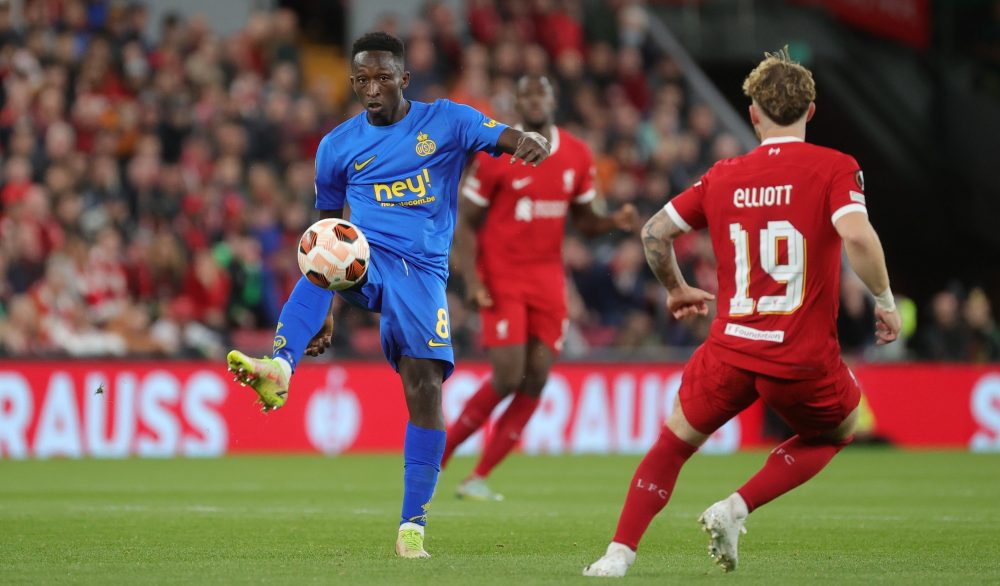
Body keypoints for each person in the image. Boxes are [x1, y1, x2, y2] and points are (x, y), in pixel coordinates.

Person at [226, 32, 551, 559]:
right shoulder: (335, 146)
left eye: (382, 77)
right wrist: (326, 301)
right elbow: (326, 227)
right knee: (326, 243)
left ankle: (412, 526)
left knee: (424, 390)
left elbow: (505, 136)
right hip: (369, 261)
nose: (371, 88)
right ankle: (280, 366)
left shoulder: (447, 120)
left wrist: (531, 142)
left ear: (404, 78)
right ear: (352, 83)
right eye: (361, 79)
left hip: (422, 273)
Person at [583, 48, 902, 577]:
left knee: (672, 444)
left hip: (730, 349)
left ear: (753, 114)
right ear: (812, 110)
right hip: (801, 357)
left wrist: (677, 288)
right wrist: (885, 301)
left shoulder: (723, 175)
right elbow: (856, 235)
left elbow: (652, 234)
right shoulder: (834, 167)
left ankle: (618, 554)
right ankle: (736, 507)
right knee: (840, 428)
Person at [440, 75, 639, 500]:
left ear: (552, 99)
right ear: (517, 103)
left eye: (540, 93)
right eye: (526, 94)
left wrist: (611, 223)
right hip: (503, 277)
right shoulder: (497, 153)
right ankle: (437, 460)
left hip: (549, 280)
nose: (533, 100)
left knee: (536, 380)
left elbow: (585, 219)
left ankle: (478, 477)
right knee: (509, 375)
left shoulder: (578, 155)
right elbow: (466, 224)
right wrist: (473, 281)